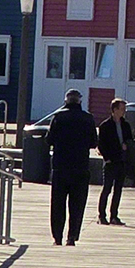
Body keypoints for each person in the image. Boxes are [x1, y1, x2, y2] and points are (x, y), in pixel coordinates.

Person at [45, 88, 96, 246]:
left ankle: (57, 237)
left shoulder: (59, 117)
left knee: (58, 204)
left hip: (61, 167)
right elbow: (94, 142)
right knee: (77, 204)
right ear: (80, 101)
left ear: (66, 100)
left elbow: (49, 140)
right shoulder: (88, 118)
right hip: (81, 167)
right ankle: (72, 236)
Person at [97, 98, 135, 225]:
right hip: (110, 162)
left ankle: (114, 215)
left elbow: (130, 140)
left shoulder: (125, 125)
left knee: (118, 189)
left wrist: (127, 146)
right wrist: (106, 158)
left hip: (122, 161)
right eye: (122, 109)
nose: (124, 112)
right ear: (114, 110)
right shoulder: (105, 125)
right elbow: (101, 144)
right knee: (107, 189)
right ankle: (102, 216)